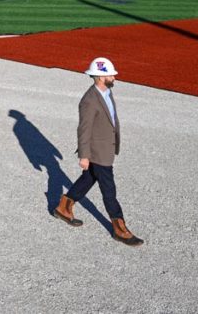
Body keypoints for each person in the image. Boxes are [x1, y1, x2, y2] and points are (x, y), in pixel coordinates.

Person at [54, 57, 144, 247]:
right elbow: (84, 129)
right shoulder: (89, 101)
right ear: (101, 77)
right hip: (97, 151)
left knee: (88, 179)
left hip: (105, 148)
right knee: (109, 189)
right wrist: (84, 155)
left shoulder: (106, 93)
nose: (114, 77)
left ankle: (64, 206)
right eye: (111, 74)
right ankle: (119, 228)